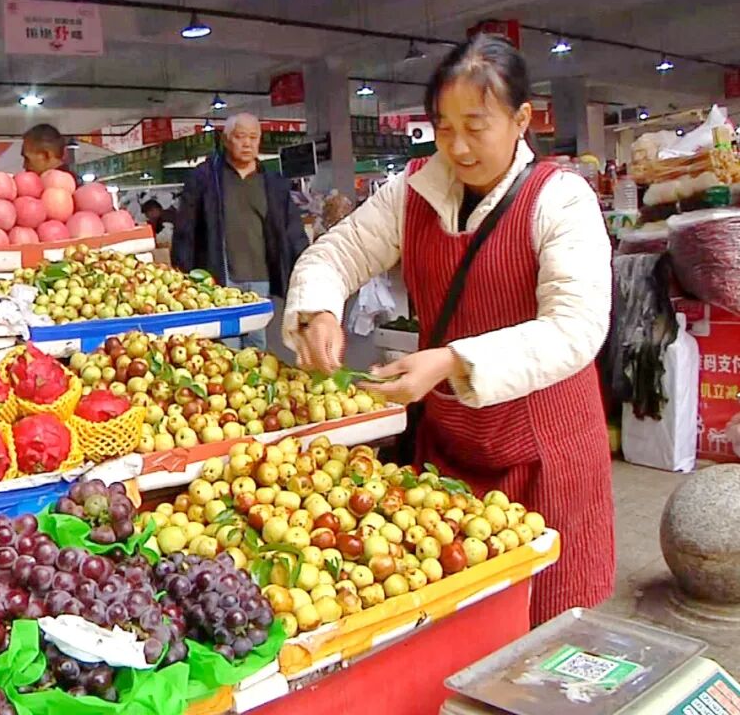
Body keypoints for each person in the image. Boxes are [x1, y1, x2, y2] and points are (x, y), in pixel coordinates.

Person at [283, 34, 614, 625]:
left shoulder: (562, 200)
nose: (457, 147)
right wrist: (319, 310)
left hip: (546, 451)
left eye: (475, 127)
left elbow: (575, 327)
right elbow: (336, 253)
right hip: (451, 449)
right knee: (456, 619)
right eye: (443, 127)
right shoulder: (414, 192)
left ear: (521, 119)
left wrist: (453, 361)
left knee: (549, 622)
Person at [173, 112, 309, 351]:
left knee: (257, 346)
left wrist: (306, 267)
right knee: (226, 347)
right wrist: (182, 273)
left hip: (261, 279)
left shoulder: (273, 183)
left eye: (253, 137)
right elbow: (185, 230)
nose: (247, 143)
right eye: (240, 137)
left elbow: (292, 230)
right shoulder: (206, 178)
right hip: (220, 279)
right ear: (227, 140)